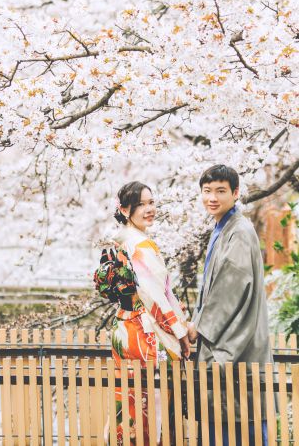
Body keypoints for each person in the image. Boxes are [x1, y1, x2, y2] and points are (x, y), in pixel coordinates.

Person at [94, 181, 190, 445]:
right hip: (144, 333)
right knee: (151, 407)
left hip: (125, 327)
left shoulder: (122, 240)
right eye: (141, 205)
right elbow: (156, 297)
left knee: (128, 399)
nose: (149, 209)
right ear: (125, 210)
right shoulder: (140, 245)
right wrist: (181, 332)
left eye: (151, 203)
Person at [188, 165, 272, 446]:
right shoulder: (224, 227)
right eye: (207, 191)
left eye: (221, 191)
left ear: (236, 193)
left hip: (235, 345)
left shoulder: (239, 231)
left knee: (238, 426)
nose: (212, 197)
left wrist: (198, 327)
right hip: (227, 343)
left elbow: (230, 288)